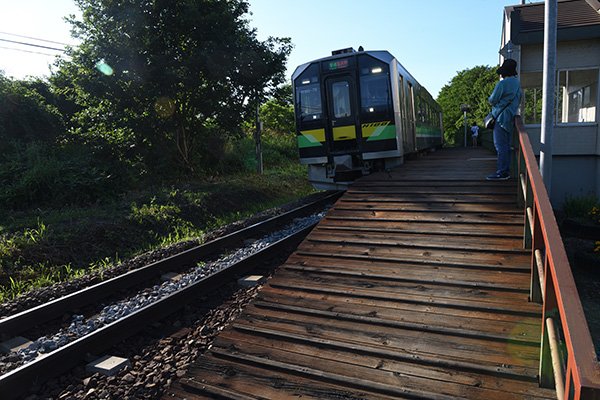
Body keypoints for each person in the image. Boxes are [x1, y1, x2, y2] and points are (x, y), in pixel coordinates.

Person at [486, 58, 521, 181]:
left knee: (500, 146)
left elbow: (492, 100)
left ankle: (502, 172)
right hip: (510, 118)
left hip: (500, 119)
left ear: (504, 72)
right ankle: (504, 170)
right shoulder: (517, 84)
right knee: (505, 146)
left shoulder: (503, 84)